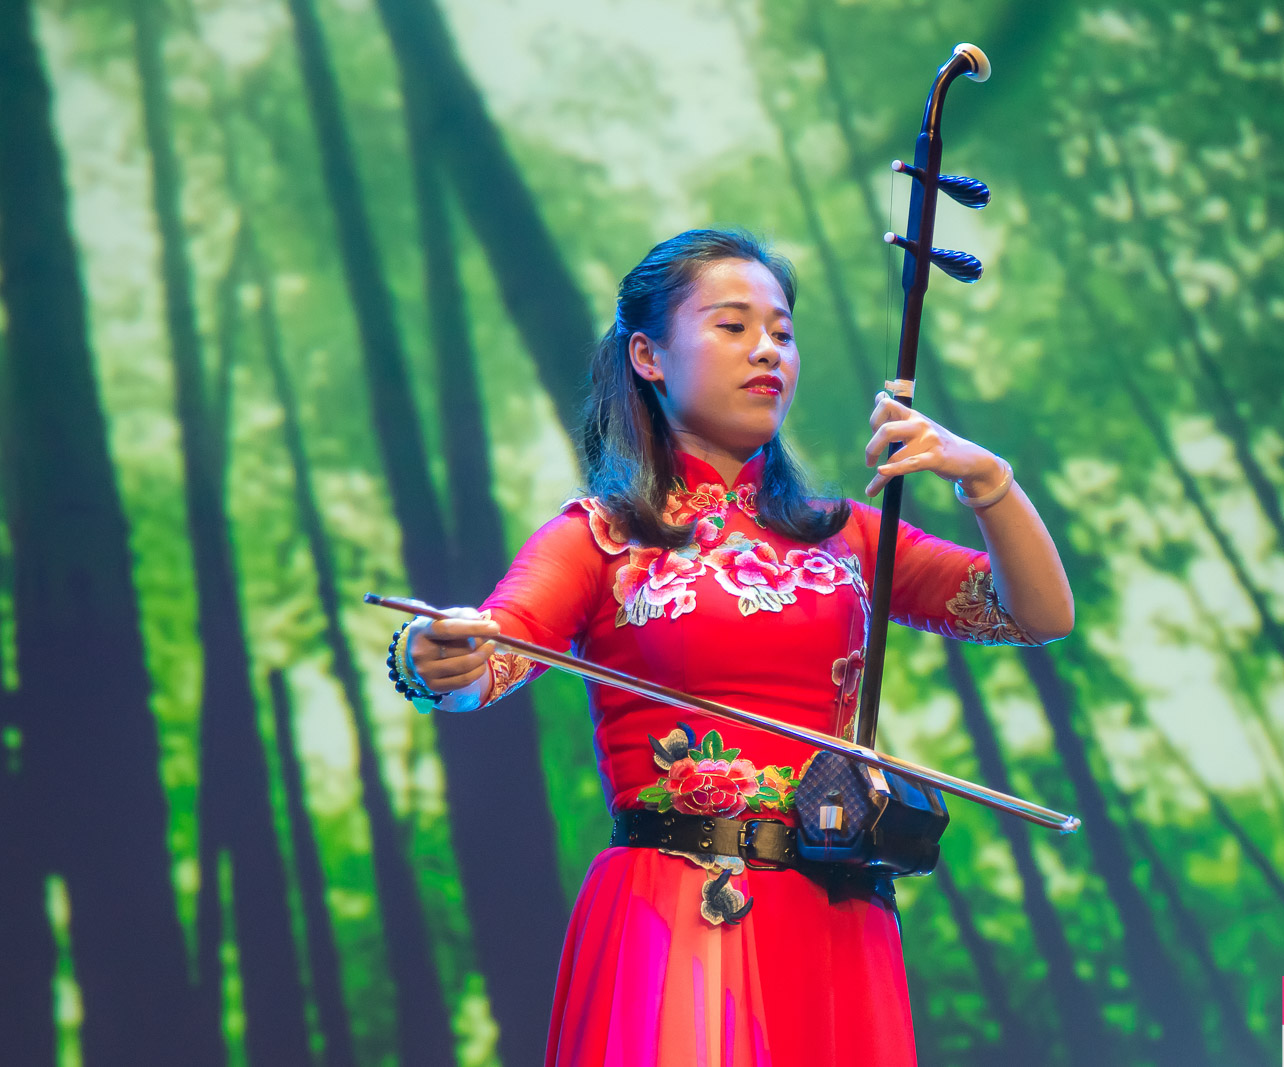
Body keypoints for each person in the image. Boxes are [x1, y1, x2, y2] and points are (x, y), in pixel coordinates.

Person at [388, 229, 1074, 1066]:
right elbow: (499, 647)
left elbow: (1036, 612)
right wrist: (437, 655)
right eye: (733, 326)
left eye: (783, 332)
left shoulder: (847, 535)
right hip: (676, 905)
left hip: (837, 904)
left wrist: (986, 479)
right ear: (648, 354)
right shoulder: (601, 534)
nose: (768, 352)